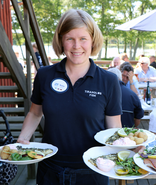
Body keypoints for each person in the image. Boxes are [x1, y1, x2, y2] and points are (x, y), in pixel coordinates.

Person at [17, 9, 122, 185]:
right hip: (50, 169)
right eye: (69, 38)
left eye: (83, 39)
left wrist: (127, 147)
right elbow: (35, 113)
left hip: (92, 170)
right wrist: (23, 139)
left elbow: (113, 127)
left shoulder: (109, 80)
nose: (76, 46)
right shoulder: (44, 75)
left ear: (93, 40)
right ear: (61, 41)